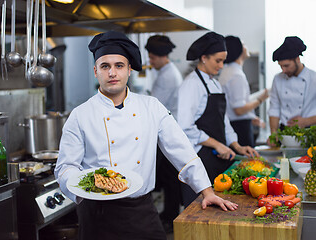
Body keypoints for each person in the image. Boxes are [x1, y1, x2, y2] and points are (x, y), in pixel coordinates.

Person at [54, 31, 238, 240]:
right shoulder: (80, 114)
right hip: (97, 213)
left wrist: (206, 191)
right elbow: (65, 167)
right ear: (95, 71)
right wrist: (84, 188)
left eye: (119, 65)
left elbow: (181, 149)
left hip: (140, 209)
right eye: (105, 66)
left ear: (129, 70)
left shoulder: (151, 107)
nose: (112, 73)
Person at [177, 31, 259, 207]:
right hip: (199, 160)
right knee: (198, 213)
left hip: (218, 159)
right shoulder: (191, 85)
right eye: (218, 61)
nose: (221, 66)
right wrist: (216, 144)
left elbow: (224, 120)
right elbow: (185, 127)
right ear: (204, 58)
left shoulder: (214, 83)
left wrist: (236, 145)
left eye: (223, 60)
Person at [145, 35, 183, 233]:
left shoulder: (167, 75)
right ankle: (170, 215)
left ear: (161, 56)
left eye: (152, 57)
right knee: (170, 179)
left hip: (167, 134)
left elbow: (153, 106)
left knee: (170, 179)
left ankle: (170, 217)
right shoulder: (167, 72)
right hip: (168, 132)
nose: (150, 61)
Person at [219, 36, 269, 147]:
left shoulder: (227, 71)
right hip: (240, 129)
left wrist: (250, 118)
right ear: (239, 50)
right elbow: (239, 110)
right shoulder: (236, 75)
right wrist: (261, 99)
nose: (247, 47)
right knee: (246, 162)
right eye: (244, 44)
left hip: (235, 125)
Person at [268, 36, 316, 143]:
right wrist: (273, 133)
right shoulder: (277, 79)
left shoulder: (314, 78)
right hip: (285, 133)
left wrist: (306, 121)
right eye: (281, 66)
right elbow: (274, 108)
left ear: (297, 59)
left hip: (310, 132)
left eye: (286, 66)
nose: (283, 70)